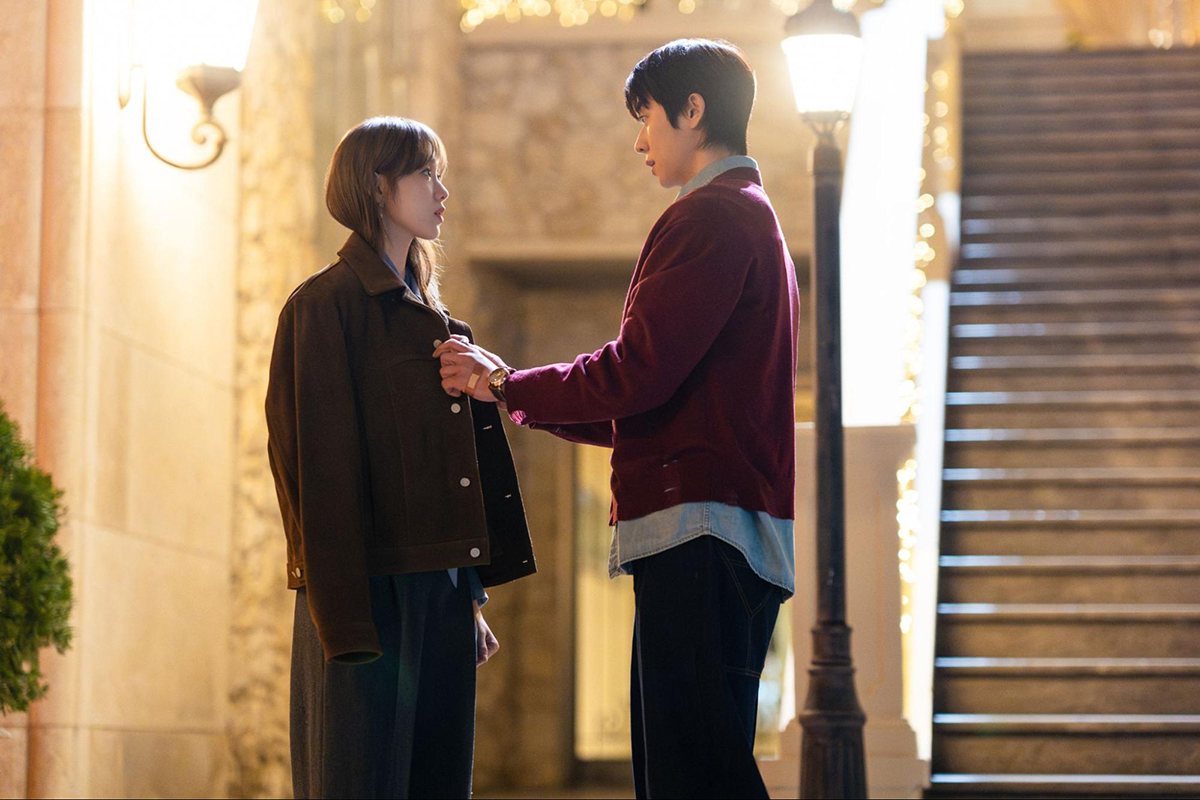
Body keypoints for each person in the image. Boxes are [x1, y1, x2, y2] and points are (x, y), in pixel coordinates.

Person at [435, 38, 798, 800]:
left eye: (647, 118)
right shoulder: (748, 218)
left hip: (697, 533)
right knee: (703, 766)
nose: (640, 141)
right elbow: (646, 398)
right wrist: (514, 391)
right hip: (728, 534)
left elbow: (635, 371)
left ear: (693, 111)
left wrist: (505, 384)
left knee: (690, 778)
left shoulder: (710, 217)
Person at [265, 116, 536, 799]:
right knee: (358, 779)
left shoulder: (440, 326)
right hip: (367, 592)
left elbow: (448, 476)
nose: (442, 191)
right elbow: (316, 473)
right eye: (425, 174)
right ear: (378, 186)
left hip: (440, 594)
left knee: (436, 782)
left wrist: (469, 597)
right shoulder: (323, 308)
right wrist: (343, 619)